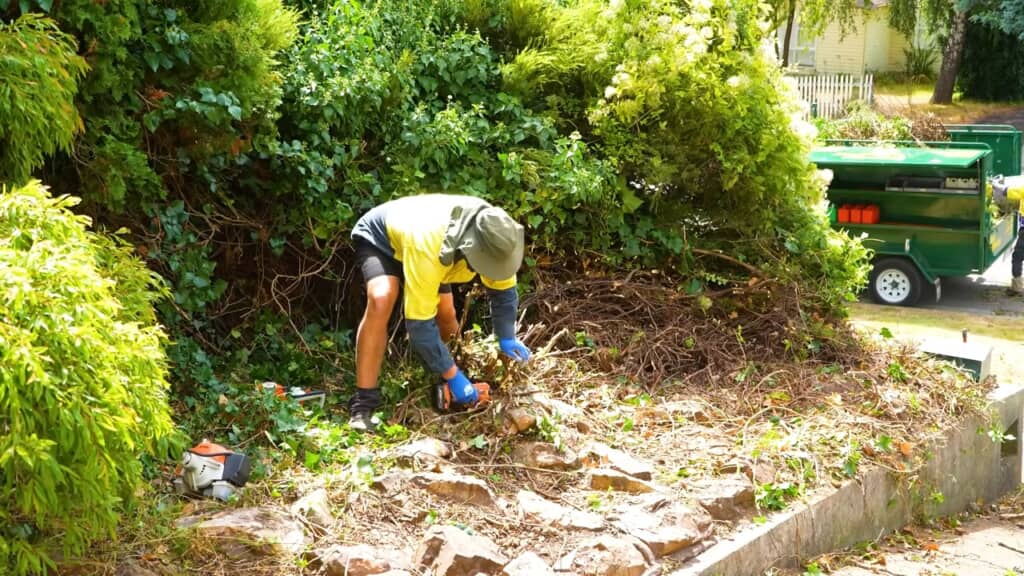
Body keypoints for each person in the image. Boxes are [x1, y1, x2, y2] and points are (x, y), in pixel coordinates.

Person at [348, 194, 532, 431]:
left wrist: (506, 336)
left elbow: (504, 293)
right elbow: (419, 326)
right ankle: (363, 404)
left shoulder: (499, 238)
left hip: (435, 247)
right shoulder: (431, 245)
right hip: (383, 238)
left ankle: (449, 380)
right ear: (474, 250)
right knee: (382, 298)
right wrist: (453, 375)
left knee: (445, 311)